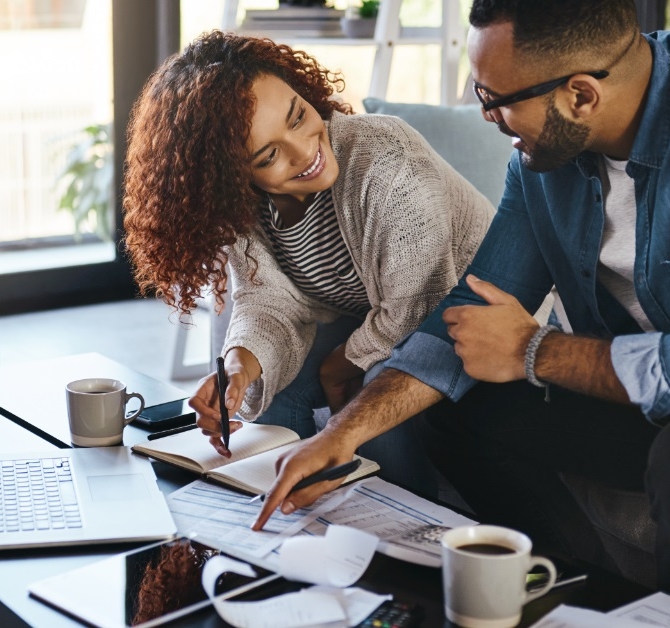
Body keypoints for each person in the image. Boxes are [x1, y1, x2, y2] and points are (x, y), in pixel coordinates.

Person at [255, 0, 670, 623]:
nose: (486, 116)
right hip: (664, 395)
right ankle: (577, 602)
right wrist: (341, 435)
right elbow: (468, 314)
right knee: (459, 407)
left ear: (581, 94)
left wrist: (537, 352)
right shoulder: (545, 159)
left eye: (494, 99)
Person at [122, 31, 496, 496]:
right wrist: (238, 369)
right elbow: (270, 300)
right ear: (233, 178)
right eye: (270, 155)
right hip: (375, 314)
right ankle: (281, 507)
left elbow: (416, 310)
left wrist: (340, 368)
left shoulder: (388, 164)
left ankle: (405, 525)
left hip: (460, 317)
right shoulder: (245, 207)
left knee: (377, 383)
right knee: (275, 391)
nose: (304, 151)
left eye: (299, 116)